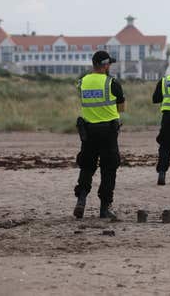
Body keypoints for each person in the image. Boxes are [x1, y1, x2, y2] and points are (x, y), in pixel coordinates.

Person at [74, 51, 126, 220]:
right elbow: (121, 108)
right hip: (108, 132)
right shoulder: (112, 83)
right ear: (105, 65)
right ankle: (104, 208)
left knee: (87, 166)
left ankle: (81, 200)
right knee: (109, 169)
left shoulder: (82, 82)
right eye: (109, 63)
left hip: (88, 132)